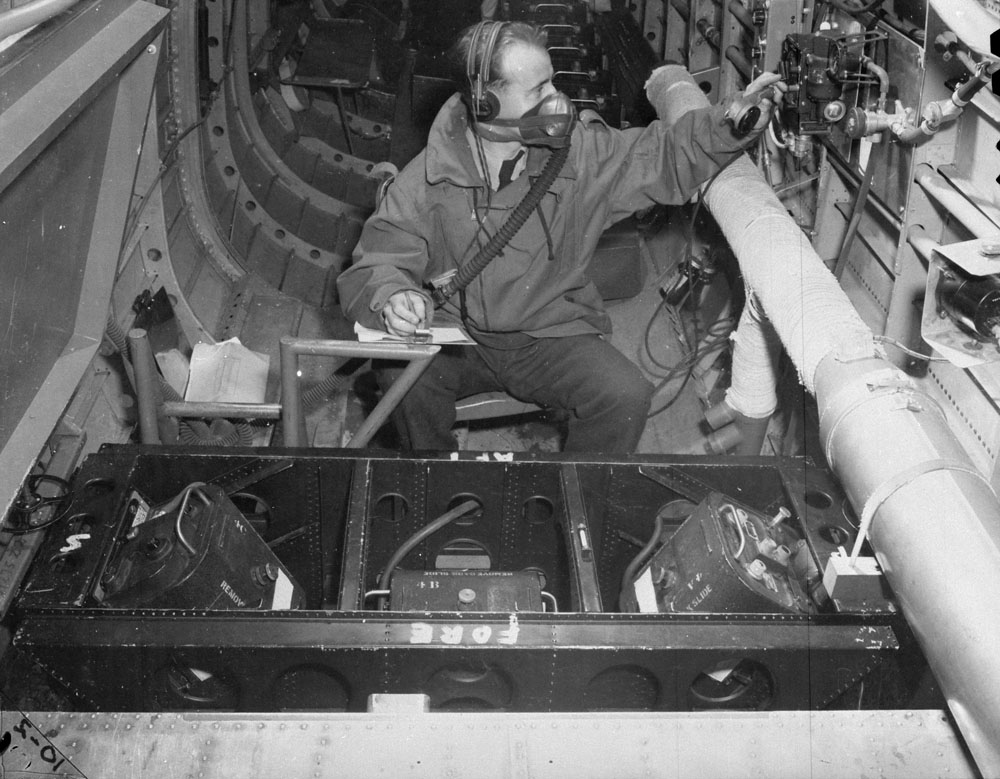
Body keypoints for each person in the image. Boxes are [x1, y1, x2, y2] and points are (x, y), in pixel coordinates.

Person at [337, 20, 784, 453]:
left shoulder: (579, 153)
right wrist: (394, 297)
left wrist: (730, 123)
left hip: (549, 334)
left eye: (552, 82)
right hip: (459, 337)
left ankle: (576, 503)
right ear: (485, 102)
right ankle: (431, 481)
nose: (556, 98)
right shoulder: (425, 181)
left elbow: (661, 155)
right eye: (538, 90)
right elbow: (379, 261)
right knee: (401, 375)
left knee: (625, 396)